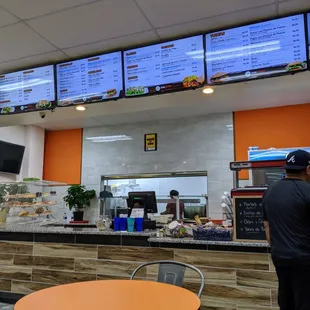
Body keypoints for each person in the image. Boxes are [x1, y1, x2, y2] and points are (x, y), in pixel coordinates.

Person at [262, 149, 310, 310]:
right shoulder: (307, 191)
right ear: (308, 169)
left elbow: (267, 226)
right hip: (305, 260)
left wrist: (277, 249)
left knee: (286, 301)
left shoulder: (270, 191)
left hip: (279, 257)